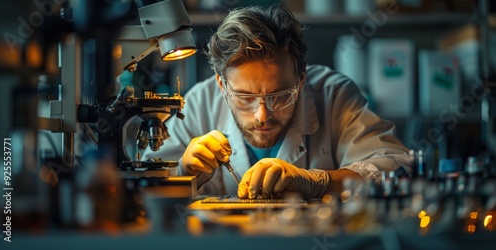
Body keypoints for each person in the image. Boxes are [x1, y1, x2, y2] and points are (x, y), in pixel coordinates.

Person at [144, 4, 412, 200]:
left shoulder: (333, 95)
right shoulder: (199, 103)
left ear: (302, 81)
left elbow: (397, 169)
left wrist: (319, 182)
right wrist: (183, 172)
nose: (262, 115)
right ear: (221, 85)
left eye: (280, 96)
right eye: (245, 98)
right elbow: (144, 189)